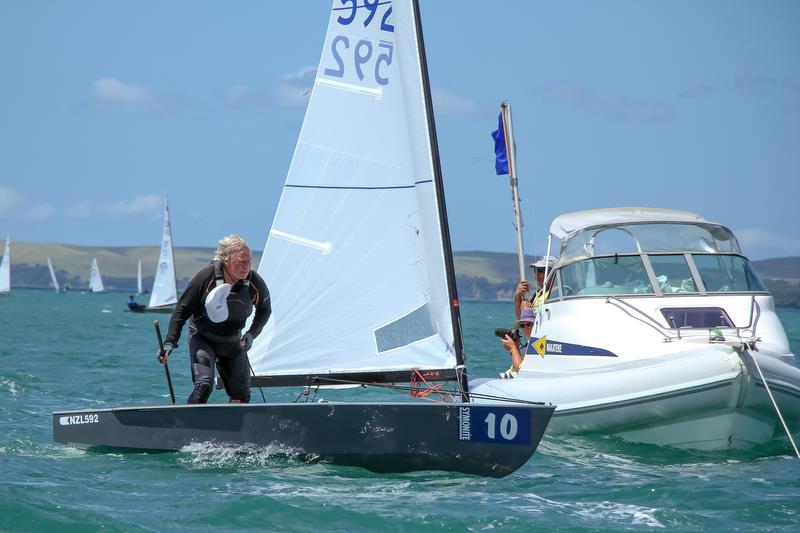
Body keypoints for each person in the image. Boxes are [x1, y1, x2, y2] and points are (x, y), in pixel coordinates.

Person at [157, 235, 271, 404]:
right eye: (241, 261)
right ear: (226, 260)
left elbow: (265, 310)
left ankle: (232, 429)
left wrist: (251, 334)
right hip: (203, 338)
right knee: (204, 385)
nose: (246, 266)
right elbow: (182, 311)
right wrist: (169, 343)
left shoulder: (254, 282)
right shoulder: (206, 277)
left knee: (242, 396)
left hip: (233, 342)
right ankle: (187, 423)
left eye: (249, 261)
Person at [499, 305, 536, 379]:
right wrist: (516, 348)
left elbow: (521, 372)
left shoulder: (539, 344)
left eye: (529, 324)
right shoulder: (528, 346)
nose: (525, 328)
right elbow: (520, 364)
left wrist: (513, 349)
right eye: (522, 325)